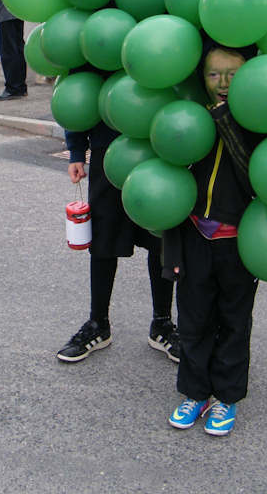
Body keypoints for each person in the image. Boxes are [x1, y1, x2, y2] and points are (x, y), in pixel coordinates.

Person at [162, 43, 260, 437]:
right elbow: (169, 181)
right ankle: (195, 392)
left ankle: (227, 396)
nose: (222, 83)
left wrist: (225, 121)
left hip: (238, 240)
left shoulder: (258, 118)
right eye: (213, 74)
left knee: (234, 321)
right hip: (193, 235)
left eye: (233, 75)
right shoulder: (187, 119)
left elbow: (253, 177)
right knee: (193, 319)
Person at [56, 119, 178, 364]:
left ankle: (162, 324)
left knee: (160, 237)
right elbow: (82, 89)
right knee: (103, 237)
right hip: (108, 148)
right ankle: (98, 323)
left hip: (157, 146)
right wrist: (77, 150)